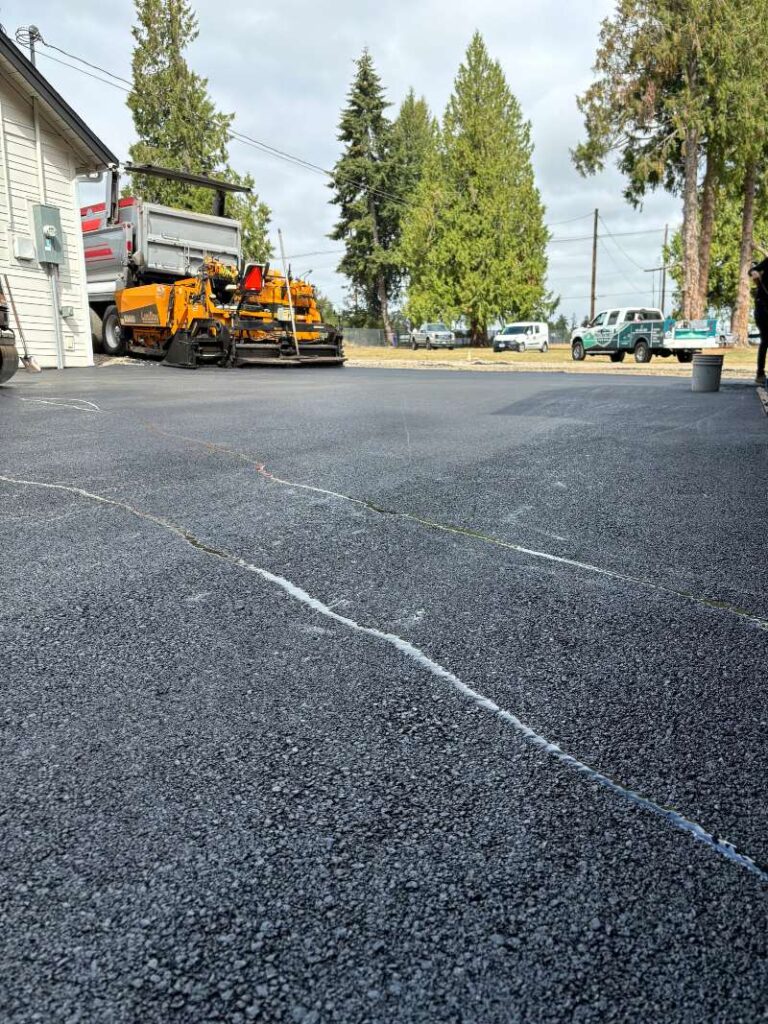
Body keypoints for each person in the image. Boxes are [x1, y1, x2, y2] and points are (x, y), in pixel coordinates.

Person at [749, 256, 768, 385]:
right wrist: (754, 273)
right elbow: (752, 270)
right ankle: (760, 373)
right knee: (766, 339)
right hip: (763, 307)